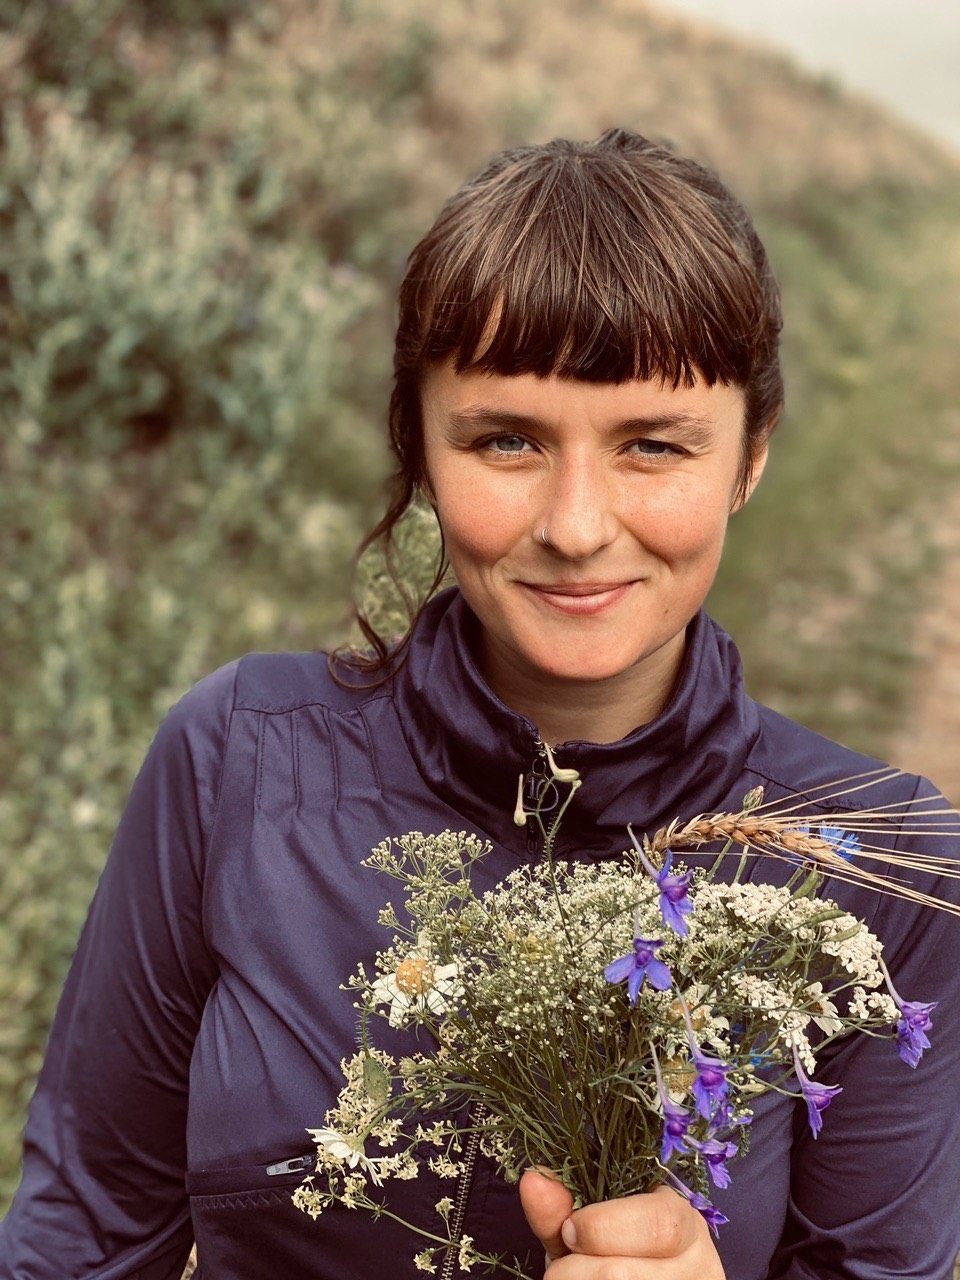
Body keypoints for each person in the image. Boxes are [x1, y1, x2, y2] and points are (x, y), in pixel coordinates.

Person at [2, 128, 959, 1280]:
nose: (575, 523)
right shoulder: (236, 758)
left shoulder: (884, 878)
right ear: (417, 439)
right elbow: (80, 1240)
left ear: (750, 454)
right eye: (506, 439)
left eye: (653, 445)